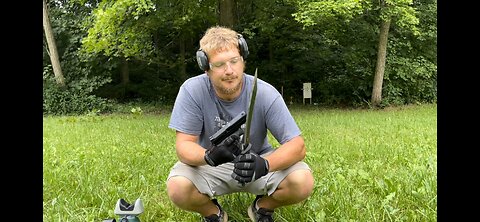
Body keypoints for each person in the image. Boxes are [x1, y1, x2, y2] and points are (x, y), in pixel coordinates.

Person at [166, 26, 315, 222]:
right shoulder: (192, 90)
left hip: (258, 161)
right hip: (212, 164)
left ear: (243, 58)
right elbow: (183, 146)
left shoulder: (264, 92)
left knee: (302, 181)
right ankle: (213, 214)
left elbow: (298, 146)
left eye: (234, 61)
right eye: (219, 64)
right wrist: (208, 156)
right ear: (205, 66)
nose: (229, 71)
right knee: (178, 187)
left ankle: (262, 208)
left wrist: (265, 164)